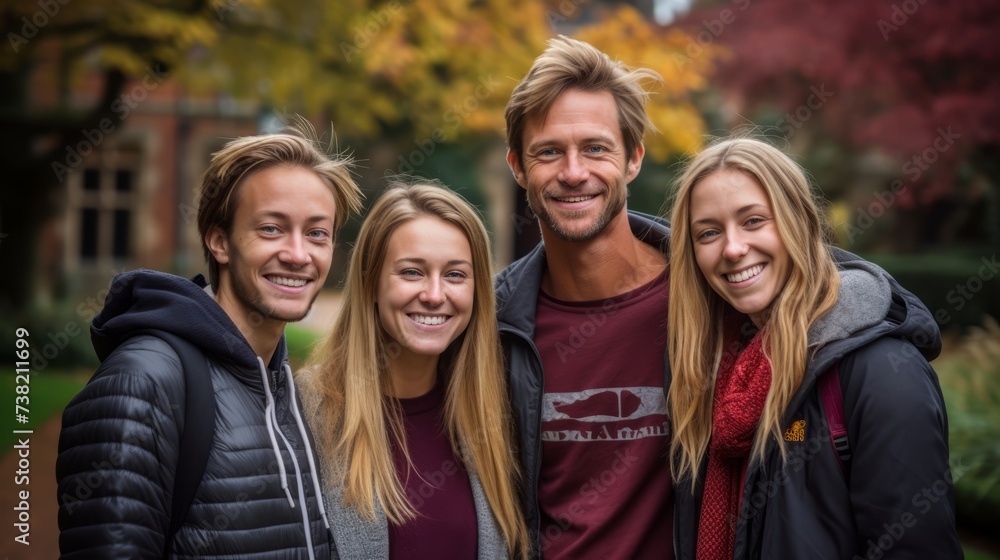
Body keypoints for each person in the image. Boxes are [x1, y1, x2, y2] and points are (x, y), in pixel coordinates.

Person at [56, 121, 363, 559]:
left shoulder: (283, 387)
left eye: (317, 233)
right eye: (272, 228)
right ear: (219, 241)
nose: (299, 255)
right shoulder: (142, 382)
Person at [667, 137, 962, 559]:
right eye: (709, 232)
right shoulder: (718, 373)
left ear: (798, 223)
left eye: (753, 221)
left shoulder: (881, 372)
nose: (732, 249)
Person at [495, 35, 673, 558]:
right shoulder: (492, 327)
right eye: (549, 152)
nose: (574, 173)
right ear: (517, 166)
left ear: (634, 157)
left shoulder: (706, 294)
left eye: (596, 148)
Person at [298, 181, 530, 559]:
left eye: (455, 275)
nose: (434, 295)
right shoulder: (305, 411)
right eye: (411, 272)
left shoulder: (497, 415)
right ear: (371, 282)